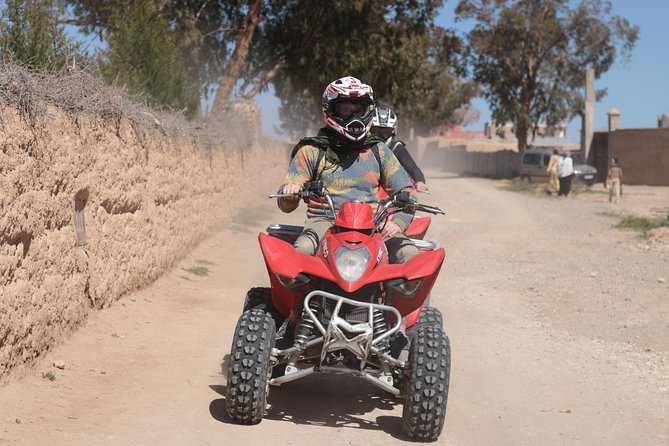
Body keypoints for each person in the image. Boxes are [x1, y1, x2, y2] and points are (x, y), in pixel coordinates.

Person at [277, 76, 418, 264]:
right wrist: (290, 193)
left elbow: (408, 192)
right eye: (345, 109)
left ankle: (393, 295)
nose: (354, 117)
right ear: (330, 110)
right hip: (324, 221)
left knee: (409, 255)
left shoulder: (378, 150)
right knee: (302, 250)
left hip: (373, 224)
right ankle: (304, 295)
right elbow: (286, 206)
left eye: (359, 109)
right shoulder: (311, 151)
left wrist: (397, 223)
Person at [371, 106, 428, 192]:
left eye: (385, 132)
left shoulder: (396, 147)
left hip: (390, 191)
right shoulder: (362, 147)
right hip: (367, 190)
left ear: (393, 131)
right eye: (376, 131)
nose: (381, 136)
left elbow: (413, 168)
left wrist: (420, 181)